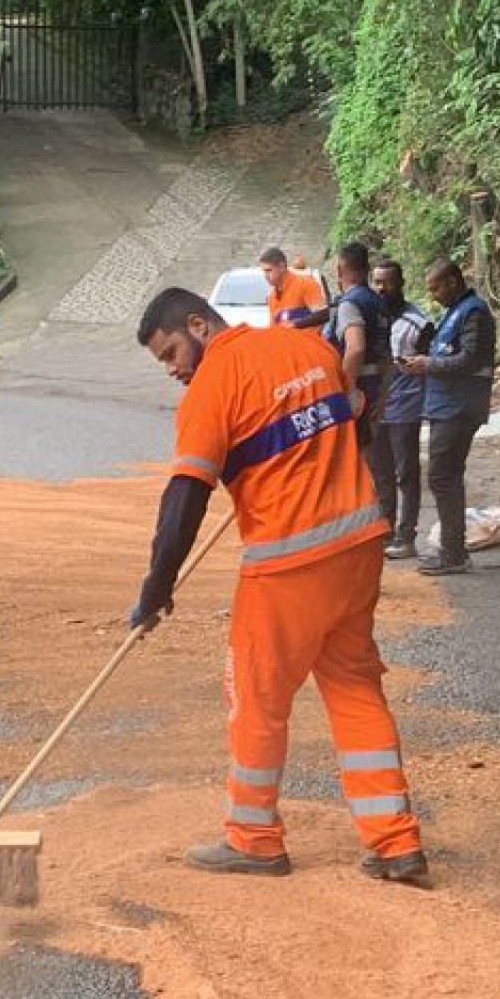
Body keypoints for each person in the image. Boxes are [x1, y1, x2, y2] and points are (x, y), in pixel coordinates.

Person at [131, 283, 428, 886]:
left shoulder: (213, 385)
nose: (172, 370)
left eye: (170, 354)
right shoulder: (307, 350)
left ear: (199, 326)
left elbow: (185, 494)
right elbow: (354, 421)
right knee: (353, 689)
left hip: (289, 563)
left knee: (257, 701)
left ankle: (254, 838)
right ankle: (394, 843)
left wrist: (156, 588)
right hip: (359, 545)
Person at [419, 258, 496, 576]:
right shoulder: (454, 312)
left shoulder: (473, 312)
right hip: (447, 405)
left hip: (460, 407)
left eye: (436, 288)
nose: (433, 295)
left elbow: (468, 359)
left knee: (442, 476)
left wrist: (427, 364)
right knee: (445, 475)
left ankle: (454, 553)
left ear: (452, 281)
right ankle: (454, 549)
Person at [370, 255, 428, 554]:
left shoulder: (418, 322)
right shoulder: (370, 320)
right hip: (377, 409)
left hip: (406, 406)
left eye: (388, 282)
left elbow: (432, 363)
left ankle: (407, 537)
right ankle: (385, 529)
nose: (382, 289)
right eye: (377, 282)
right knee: (380, 472)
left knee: (406, 473)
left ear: (401, 284)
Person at [325, 241, 389, 459]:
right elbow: (387, 354)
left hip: (358, 389)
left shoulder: (350, 304)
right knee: (370, 459)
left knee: (353, 461)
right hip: (376, 388)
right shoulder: (378, 303)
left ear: (340, 269)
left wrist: (346, 390)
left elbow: (355, 348)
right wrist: (384, 394)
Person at [258, 242, 327, 328]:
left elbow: (324, 314)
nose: (265, 276)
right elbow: (273, 329)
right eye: (264, 271)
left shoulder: (305, 284)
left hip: (308, 340)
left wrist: (295, 324)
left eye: (269, 270)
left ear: (282, 267)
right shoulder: (271, 297)